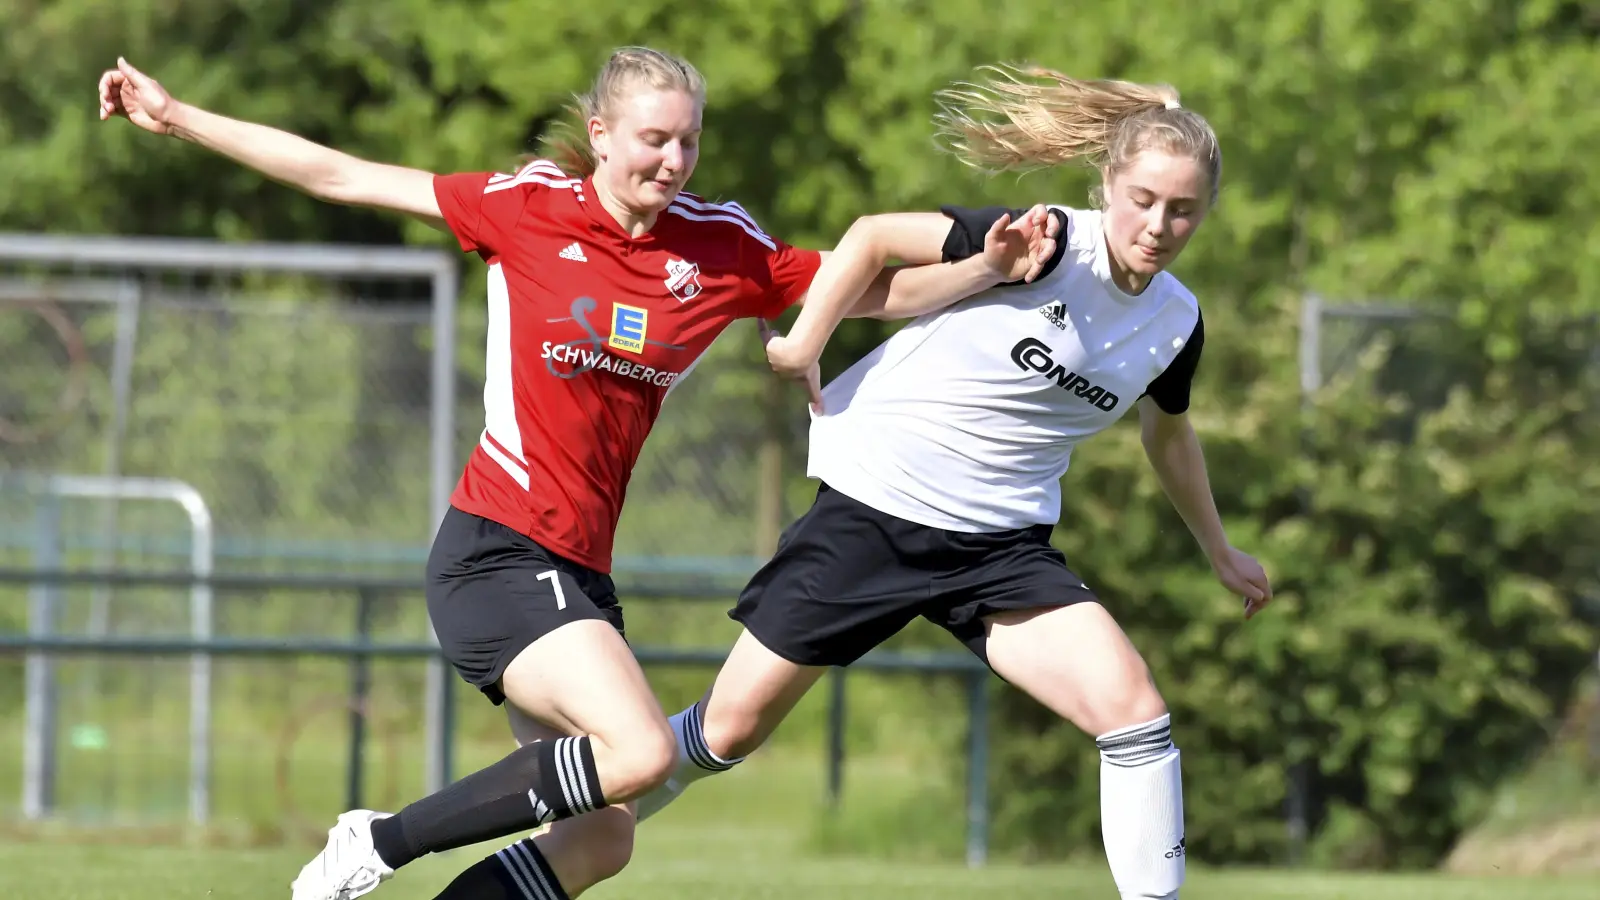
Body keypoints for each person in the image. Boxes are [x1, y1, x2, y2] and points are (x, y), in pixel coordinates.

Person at [97, 48, 1060, 900]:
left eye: (688, 144)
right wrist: (177, 116)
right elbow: (341, 173)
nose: (672, 162)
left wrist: (988, 270)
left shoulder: (718, 245)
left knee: (601, 837)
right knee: (637, 752)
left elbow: (866, 288)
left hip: (577, 573)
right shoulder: (525, 209)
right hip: (496, 551)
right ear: (599, 133)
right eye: (652, 140)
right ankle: (377, 841)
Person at [617, 65, 1274, 900]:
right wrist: (804, 340)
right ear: (1107, 183)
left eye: (1182, 209)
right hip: (879, 505)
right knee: (728, 730)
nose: (1158, 224)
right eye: (1143, 199)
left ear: (1205, 211)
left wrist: (1219, 549)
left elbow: (1169, 432)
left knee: (1135, 710)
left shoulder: (1176, 321)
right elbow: (870, 238)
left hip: (1000, 547)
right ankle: (568, 819)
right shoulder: (1042, 243)